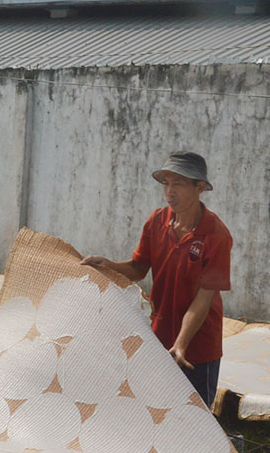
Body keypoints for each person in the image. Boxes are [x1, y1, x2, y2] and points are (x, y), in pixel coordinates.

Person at [81, 151, 233, 408]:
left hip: (198, 347)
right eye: (166, 183)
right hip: (158, 336)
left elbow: (203, 299)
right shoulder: (156, 222)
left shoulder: (217, 235)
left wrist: (181, 345)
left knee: (196, 419)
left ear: (201, 188)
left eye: (179, 184)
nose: (170, 191)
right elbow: (139, 268)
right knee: (153, 411)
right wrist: (108, 265)